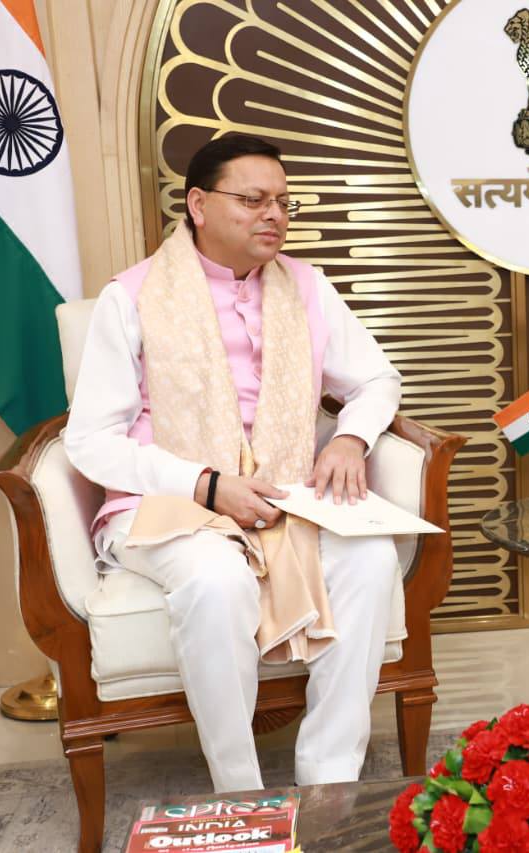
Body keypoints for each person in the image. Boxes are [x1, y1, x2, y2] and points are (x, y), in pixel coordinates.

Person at [65, 134, 404, 791]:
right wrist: (205, 484)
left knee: (370, 558)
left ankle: (330, 779)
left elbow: (377, 380)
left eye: (283, 202)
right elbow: (90, 441)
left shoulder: (306, 287)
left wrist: (349, 439)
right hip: (166, 503)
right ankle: (241, 793)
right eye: (252, 200)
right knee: (217, 581)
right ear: (198, 204)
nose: (273, 214)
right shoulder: (131, 296)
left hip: (283, 495)